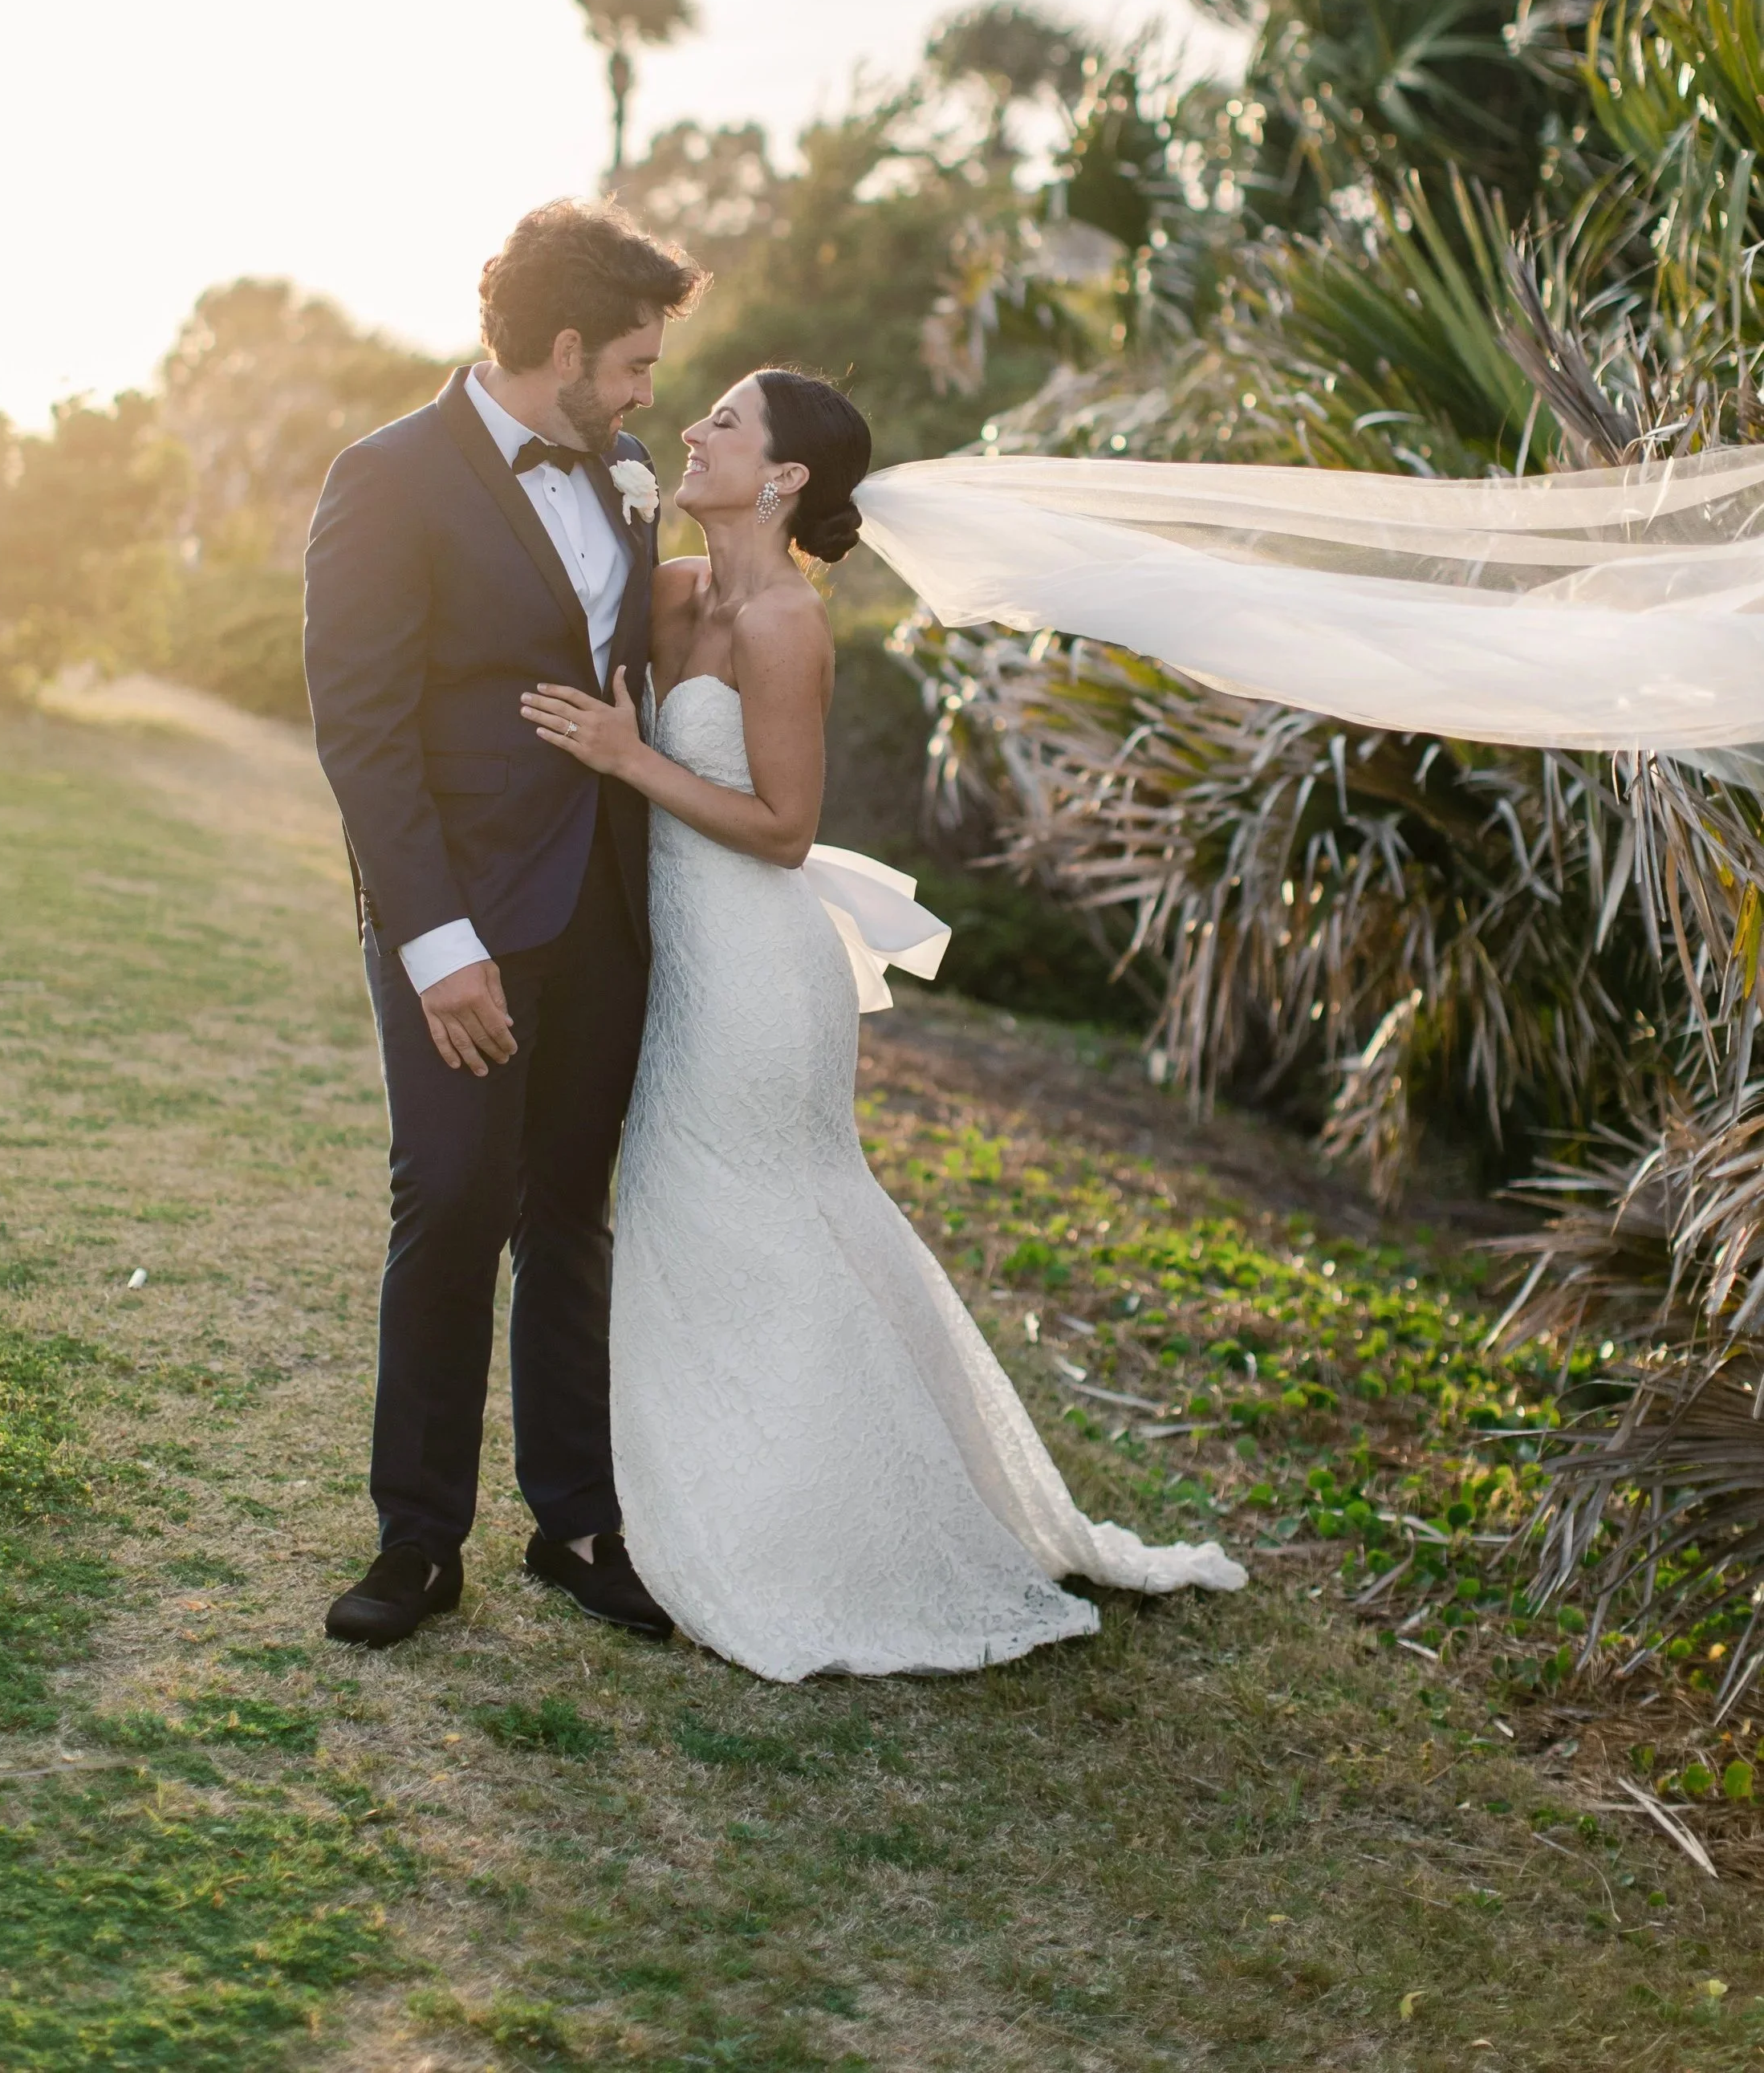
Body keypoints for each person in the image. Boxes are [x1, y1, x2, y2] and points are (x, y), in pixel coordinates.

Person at [520, 368, 1244, 1681]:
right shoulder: (669, 588)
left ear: (787, 476)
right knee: (699, 1230)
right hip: (664, 954)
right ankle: (694, 1494)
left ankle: (812, 1538)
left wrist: (631, 759)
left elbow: (786, 832)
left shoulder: (791, 620)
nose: (694, 428)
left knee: (756, 1225)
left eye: (727, 423)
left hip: (751, 971)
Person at [303, 199, 702, 1648]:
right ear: (569, 345)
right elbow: (361, 732)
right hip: (460, 916)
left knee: (568, 1215)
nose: (651, 394)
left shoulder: (624, 474)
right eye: (641, 364)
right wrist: (433, 943)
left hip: (604, 897)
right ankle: (417, 1542)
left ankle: (577, 1523)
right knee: (456, 1198)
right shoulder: (386, 477)